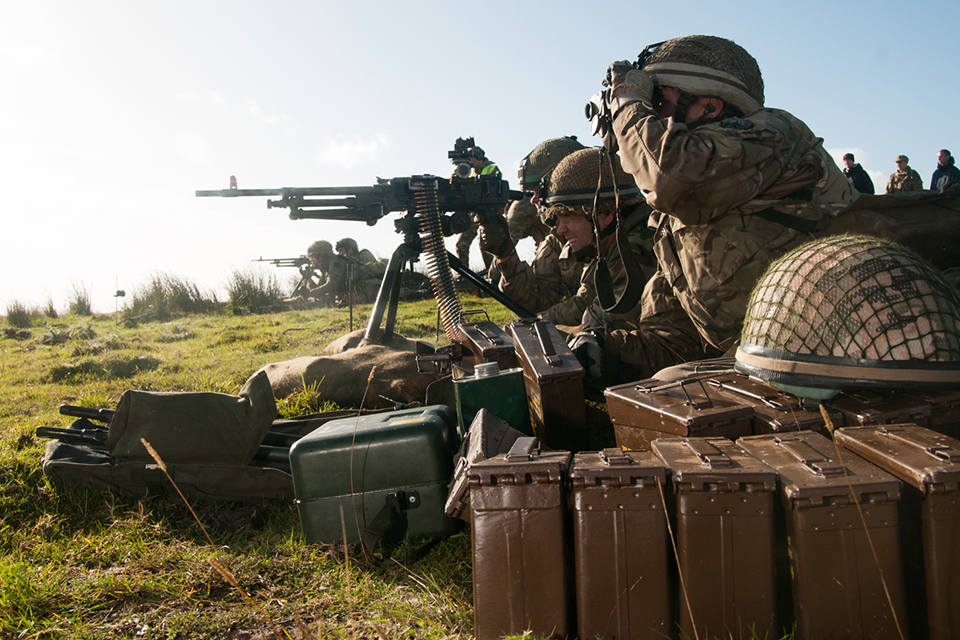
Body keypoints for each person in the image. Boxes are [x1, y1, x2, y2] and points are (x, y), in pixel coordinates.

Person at [575, 34, 857, 388]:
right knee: (663, 387)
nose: (650, 116)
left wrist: (627, 102)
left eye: (657, 101)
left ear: (710, 108)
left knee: (674, 392)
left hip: (838, 350)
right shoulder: (679, 216)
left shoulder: (773, 132)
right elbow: (678, 342)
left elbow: (670, 175)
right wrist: (607, 351)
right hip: (757, 359)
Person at [479, 136, 588, 318]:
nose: (534, 200)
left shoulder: (621, 232)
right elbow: (536, 301)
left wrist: (538, 326)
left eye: (540, 190)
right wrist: (505, 256)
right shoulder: (556, 242)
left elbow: (594, 311)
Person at [455, 144, 501, 273]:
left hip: (487, 215)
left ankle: (493, 276)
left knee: (486, 247)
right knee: (461, 245)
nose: (468, 161)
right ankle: (464, 277)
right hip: (471, 215)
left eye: (470, 158)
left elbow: (491, 190)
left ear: (479, 157)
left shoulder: (492, 169)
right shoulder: (467, 172)